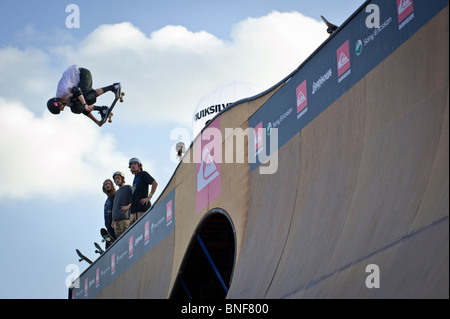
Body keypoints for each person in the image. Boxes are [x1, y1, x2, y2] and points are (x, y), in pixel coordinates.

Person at [47, 64, 120, 127]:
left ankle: (113, 87)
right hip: (80, 82)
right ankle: (102, 109)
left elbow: (77, 90)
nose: (63, 109)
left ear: (59, 103)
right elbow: (82, 109)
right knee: (76, 107)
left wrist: (85, 104)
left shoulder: (62, 91)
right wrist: (97, 122)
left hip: (82, 74)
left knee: (84, 98)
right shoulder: (65, 102)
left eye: (61, 108)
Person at [128, 157, 158, 225]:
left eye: (135, 163)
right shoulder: (135, 178)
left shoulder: (143, 174)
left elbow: (155, 183)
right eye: (131, 164)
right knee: (133, 231)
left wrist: (149, 197)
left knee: (143, 227)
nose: (132, 165)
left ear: (139, 165)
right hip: (134, 210)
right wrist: (129, 206)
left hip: (142, 208)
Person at [111, 171, 133, 237]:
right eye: (115, 179)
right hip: (116, 221)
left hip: (125, 218)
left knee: (127, 237)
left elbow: (135, 200)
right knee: (119, 240)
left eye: (118, 178)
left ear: (122, 178)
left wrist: (128, 206)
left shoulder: (128, 188)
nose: (116, 180)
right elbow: (115, 206)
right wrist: (113, 219)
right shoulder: (116, 193)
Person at [102, 179, 117, 248]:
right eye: (105, 184)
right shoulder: (107, 200)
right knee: (108, 246)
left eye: (109, 184)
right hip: (109, 227)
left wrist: (114, 219)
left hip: (115, 224)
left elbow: (117, 207)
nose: (107, 185)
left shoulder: (115, 195)